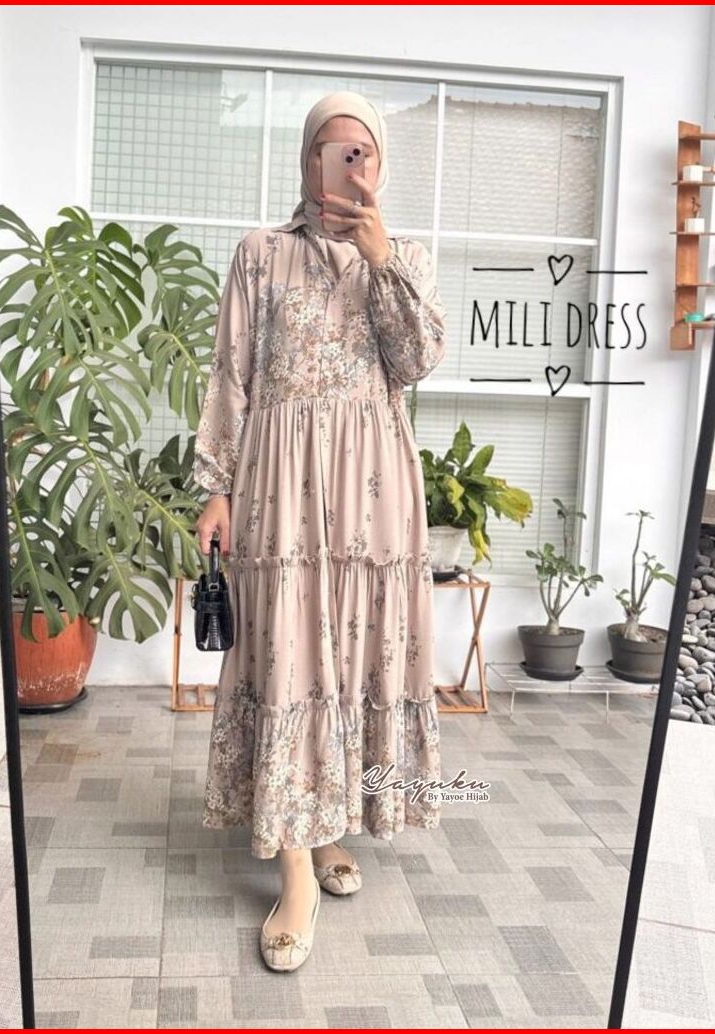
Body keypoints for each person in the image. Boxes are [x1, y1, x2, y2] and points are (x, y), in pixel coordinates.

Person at [192, 90, 447, 972]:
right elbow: (230, 372)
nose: (345, 166)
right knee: (291, 655)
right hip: (280, 483)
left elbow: (416, 361)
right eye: (328, 151)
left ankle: (329, 823)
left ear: (379, 167)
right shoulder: (260, 254)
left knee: (353, 653)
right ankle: (296, 871)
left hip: (374, 490)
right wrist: (216, 486)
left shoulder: (406, 257)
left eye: (360, 153)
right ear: (305, 161)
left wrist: (381, 259)